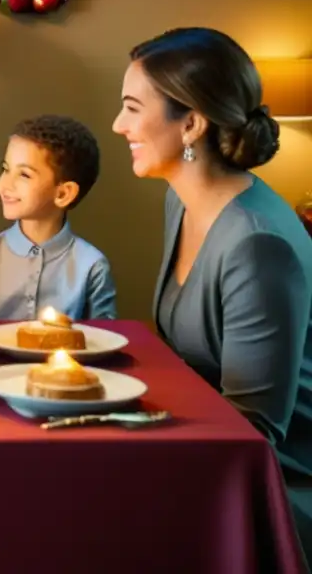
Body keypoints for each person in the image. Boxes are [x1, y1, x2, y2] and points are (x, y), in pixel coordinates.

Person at [112, 27, 312, 529]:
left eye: (133, 108)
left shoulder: (255, 242)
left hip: (275, 486)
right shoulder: (180, 199)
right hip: (209, 449)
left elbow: (254, 429)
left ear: (191, 124)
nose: (118, 125)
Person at [0, 115, 117, 320]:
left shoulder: (92, 266)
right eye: (5, 169)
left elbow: (102, 341)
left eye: (24, 175)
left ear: (63, 194)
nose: (4, 184)